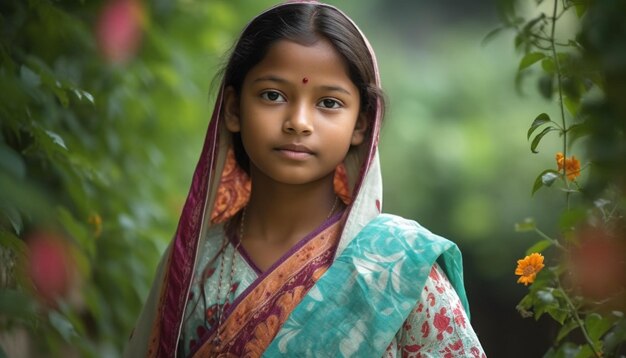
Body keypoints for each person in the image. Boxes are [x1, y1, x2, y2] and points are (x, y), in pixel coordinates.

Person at [124, 2, 486, 357]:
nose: (298, 121)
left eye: (328, 103)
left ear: (361, 124)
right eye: (273, 95)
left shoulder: (399, 267)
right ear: (234, 109)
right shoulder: (194, 264)